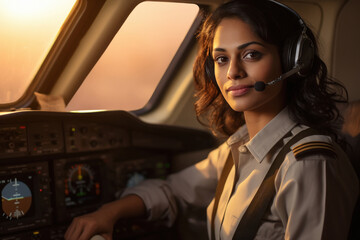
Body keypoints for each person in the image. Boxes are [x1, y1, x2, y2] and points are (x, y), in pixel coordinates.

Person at [64, 0, 359, 239]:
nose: (232, 73)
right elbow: (174, 190)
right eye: (221, 59)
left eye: (252, 54)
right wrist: (108, 213)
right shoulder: (241, 148)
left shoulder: (308, 163)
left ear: (294, 60)